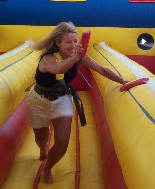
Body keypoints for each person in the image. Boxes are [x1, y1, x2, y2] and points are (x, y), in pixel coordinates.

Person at [25, 21, 128, 184]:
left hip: (61, 99)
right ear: (58, 43)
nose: (73, 45)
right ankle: (43, 149)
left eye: (75, 41)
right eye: (68, 42)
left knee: (63, 142)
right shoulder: (48, 58)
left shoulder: (80, 56)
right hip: (39, 100)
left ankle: (48, 167)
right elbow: (58, 69)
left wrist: (123, 81)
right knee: (41, 136)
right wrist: (76, 56)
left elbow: (101, 69)